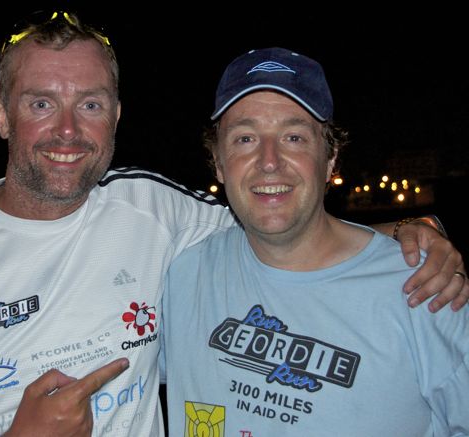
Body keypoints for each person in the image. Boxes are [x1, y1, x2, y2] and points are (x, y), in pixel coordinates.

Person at [0, 11, 466, 437]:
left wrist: (413, 229)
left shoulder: (154, 208)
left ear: (116, 114)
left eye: (90, 103)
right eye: (41, 103)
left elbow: (280, 218)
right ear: (2, 115)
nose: (67, 130)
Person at [161, 47, 469, 436]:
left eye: (293, 137)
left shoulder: (422, 286)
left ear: (330, 158)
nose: (269, 160)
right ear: (218, 162)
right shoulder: (183, 272)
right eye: (245, 138)